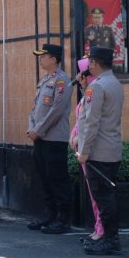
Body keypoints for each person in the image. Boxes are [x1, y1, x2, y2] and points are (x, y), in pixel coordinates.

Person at [77, 46, 124, 255]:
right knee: (107, 197)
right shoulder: (115, 83)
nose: (89, 66)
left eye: (90, 63)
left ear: (94, 63)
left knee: (103, 199)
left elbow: (91, 123)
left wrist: (84, 151)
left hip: (98, 151)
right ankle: (107, 237)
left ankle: (111, 239)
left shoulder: (96, 87)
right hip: (112, 148)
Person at [27, 44, 74, 234]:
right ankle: (50, 215)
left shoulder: (62, 81)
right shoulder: (45, 80)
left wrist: (38, 130)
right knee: (45, 178)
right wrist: (31, 128)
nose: (40, 59)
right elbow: (35, 108)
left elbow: (56, 111)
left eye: (43, 56)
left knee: (57, 179)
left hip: (54, 139)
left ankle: (63, 220)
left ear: (53, 59)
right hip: (39, 138)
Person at [70, 58, 104, 246]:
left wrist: (78, 139)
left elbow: (91, 121)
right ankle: (98, 227)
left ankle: (101, 229)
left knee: (97, 194)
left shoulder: (96, 90)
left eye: (81, 72)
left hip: (89, 149)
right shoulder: (88, 92)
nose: (78, 76)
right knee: (93, 194)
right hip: (81, 147)